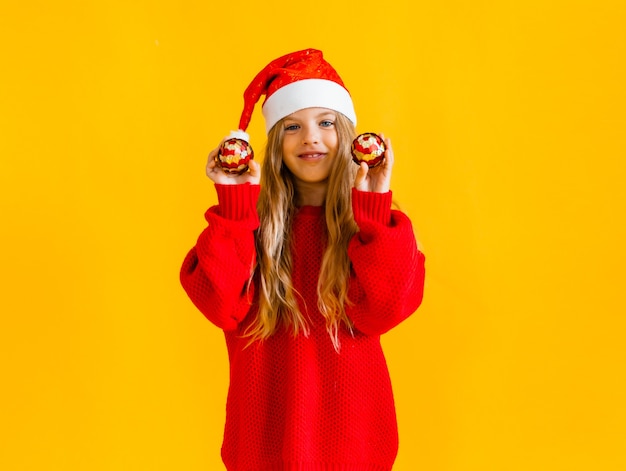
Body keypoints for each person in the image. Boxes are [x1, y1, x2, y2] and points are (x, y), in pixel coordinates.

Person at [180, 48, 426, 471]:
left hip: (354, 449)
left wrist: (373, 206)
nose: (310, 137)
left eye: (326, 123)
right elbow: (220, 305)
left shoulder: (373, 231)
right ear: (276, 142)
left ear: (348, 136)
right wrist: (236, 206)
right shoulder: (247, 226)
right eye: (292, 126)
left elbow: (386, 310)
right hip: (261, 448)